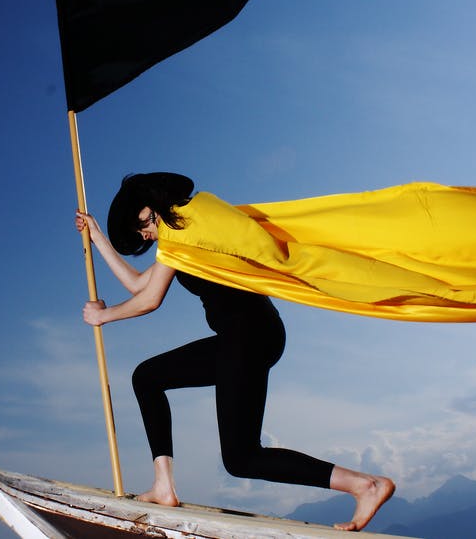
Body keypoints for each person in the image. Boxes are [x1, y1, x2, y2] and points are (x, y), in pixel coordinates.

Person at [75, 172, 395, 532]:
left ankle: (365, 485)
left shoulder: (182, 231)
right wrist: (97, 237)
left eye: (144, 224)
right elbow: (138, 283)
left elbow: (149, 301)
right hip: (247, 336)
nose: (145, 234)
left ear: (157, 206)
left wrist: (104, 316)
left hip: (249, 335)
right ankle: (164, 486)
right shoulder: (183, 235)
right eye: (140, 232)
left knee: (242, 458)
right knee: (147, 378)